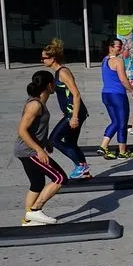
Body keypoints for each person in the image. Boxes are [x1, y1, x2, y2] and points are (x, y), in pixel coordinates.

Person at [16, 70, 67, 226]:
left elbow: (36, 128)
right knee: (60, 178)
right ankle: (35, 210)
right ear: (50, 85)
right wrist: (39, 150)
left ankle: (28, 219)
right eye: (54, 83)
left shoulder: (38, 103)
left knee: (37, 184)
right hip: (29, 151)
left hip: (27, 150)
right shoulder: (35, 105)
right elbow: (22, 130)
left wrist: (46, 142)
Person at [43, 38, 91, 179]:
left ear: (52, 58)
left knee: (54, 139)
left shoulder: (63, 72)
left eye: (44, 58)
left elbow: (76, 94)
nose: (42, 60)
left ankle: (81, 166)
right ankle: (85, 173)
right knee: (71, 143)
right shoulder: (57, 72)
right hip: (71, 112)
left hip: (74, 113)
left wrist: (74, 116)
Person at [97, 37, 133, 160]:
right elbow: (123, 79)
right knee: (122, 123)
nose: (121, 49)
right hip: (117, 95)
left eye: (121, 46)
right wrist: (132, 91)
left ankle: (103, 146)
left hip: (106, 94)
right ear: (111, 48)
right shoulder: (118, 61)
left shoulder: (105, 60)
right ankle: (122, 152)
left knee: (115, 122)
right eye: (119, 47)